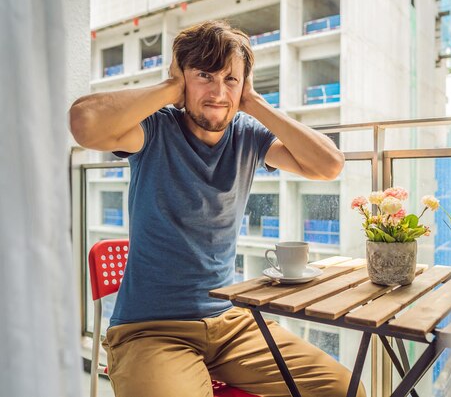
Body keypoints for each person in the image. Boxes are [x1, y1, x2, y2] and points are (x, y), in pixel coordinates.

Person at [70, 20, 364, 397]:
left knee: (344, 390)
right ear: (182, 79)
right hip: (151, 330)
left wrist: (254, 103)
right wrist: (169, 88)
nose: (218, 92)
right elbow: (84, 123)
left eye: (230, 79)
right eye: (204, 75)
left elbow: (329, 165)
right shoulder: (154, 130)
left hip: (232, 323)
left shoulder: (248, 135)